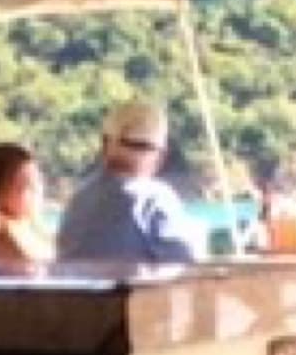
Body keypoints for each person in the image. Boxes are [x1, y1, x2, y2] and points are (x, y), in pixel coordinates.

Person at [57, 101, 205, 265]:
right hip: (131, 291)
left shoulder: (79, 199)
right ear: (161, 156)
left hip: (75, 291)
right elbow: (185, 269)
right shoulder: (156, 199)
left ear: (105, 146)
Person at [0, 142, 54, 264]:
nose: (37, 192)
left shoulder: (37, 234)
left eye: (38, 182)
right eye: (25, 186)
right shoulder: (2, 245)